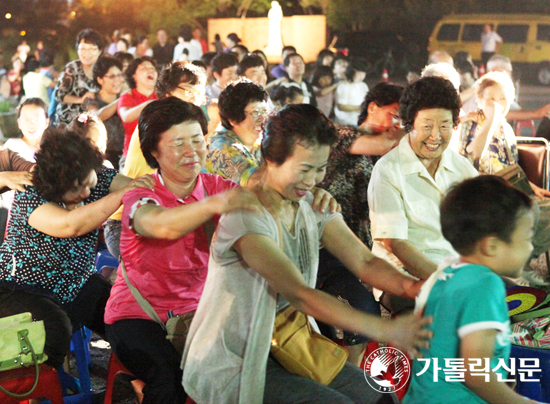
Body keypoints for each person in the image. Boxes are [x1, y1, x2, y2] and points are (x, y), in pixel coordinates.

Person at [182, 104, 431, 404]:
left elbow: (364, 261)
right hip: (236, 358)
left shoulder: (311, 204)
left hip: (291, 347)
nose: (313, 180)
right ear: (271, 160)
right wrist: (386, 327)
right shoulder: (246, 214)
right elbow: (300, 294)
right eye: (304, 169)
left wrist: (415, 286)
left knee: (379, 395)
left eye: (320, 168)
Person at [104, 97, 262, 404]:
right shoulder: (142, 192)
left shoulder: (217, 187)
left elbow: (266, 204)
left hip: (200, 314)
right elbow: (160, 225)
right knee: (170, 380)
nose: (192, 152)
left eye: (197, 140)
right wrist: (214, 206)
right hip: (139, 316)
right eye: (178, 144)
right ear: (154, 150)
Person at [0, 128, 153, 370]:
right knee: (53, 330)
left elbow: (138, 187)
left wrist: (146, 189)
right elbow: (71, 224)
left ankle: (140, 380)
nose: (85, 193)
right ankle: (37, 391)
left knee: (127, 318)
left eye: (87, 183)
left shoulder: (93, 174)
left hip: (78, 282)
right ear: (54, 189)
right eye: (75, 190)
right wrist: (123, 195)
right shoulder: (31, 192)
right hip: (24, 288)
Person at [404, 175, 539, 404]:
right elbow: (475, 373)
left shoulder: (445, 274)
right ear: (491, 246)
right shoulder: (485, 285)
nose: (531, 247)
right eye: (526, 238)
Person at [368, 77, 478, 313]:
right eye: (427, 126)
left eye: (445, 126)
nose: (435, 136)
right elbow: (395, 242)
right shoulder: (388, 170)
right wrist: (445, 279)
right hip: (404, 278)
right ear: (409, 124)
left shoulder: (463, 169)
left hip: (456, 271)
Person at [317, 82, 404, 364]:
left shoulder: (389, 154)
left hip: (359, 247)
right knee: (360, 310)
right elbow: (387, 142)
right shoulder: (344, 134)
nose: (397, 124)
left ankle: (350, 375)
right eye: (395, 115)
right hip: (329, 245)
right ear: (372, 108)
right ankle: (348, 379)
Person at [105, 61, 208, 262]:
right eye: (188, 91)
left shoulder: (188, 128)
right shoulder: (156, 119)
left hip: (166, 217)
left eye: (199, 93)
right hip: (127, 221)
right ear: (168, 93)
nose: (195, 99)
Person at [459, 71, 550, 286]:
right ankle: (519, 268)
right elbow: (472, 156)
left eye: (502, 99)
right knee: (528, 212)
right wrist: (490, 120)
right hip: (480, 193)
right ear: (479, 100)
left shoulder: (506, 128)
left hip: (508, 189)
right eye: (491, 99)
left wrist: (530, 185)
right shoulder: (471, 125)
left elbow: (511, 168)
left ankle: (529, 263)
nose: (497, 104)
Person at [205, 81, 268, 186]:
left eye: (265, 111)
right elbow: (257, 185)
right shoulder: (221, 146)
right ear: (233, 118)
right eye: (256, 112)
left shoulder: (259, 142)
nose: (263, 119)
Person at [54, 29, 103, 126]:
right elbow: (59, 95)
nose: (87, 53)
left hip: (94, 124)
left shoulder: (104, 70)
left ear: (100, 51)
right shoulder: (72, 68)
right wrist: (81, 99)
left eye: (92, 49)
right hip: (68, 123)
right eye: (83, 49)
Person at [85, 56, 125, 169]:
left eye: (119, 75)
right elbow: (96, 116)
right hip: (102, 159)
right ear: (100, 79)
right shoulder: (91, 99)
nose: (117, 80)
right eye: (112, 76)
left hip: (125, 156)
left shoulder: (126, 99)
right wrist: (121, 100)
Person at [118, 56, 158, 157]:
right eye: (144, 68)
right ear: (134, 76)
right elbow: (126, 116)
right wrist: (149, 104)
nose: (150, 71)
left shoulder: (162, 96)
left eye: (152, 68)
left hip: (158, 155)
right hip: (133, 155)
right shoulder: (127, 96)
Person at [8, 98, 49, 162]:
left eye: (36, 120)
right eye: (26, 120)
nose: (31, 125)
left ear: (46, 122)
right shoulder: (12, 147)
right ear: (19, 123)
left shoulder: (54, 149)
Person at [334, 60, 369, 126]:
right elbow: (341, 106)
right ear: (351, 72)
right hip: (345, 123)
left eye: (363, 74)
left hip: (359, 122)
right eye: (359, 74)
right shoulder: (343, 86)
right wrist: (360, 108)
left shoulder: (363, 85)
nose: (361, 76)